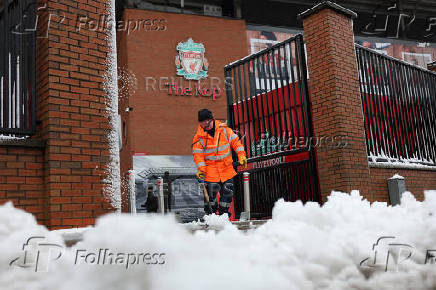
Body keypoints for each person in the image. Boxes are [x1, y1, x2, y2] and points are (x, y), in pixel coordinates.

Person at [192, 109, 247, 216]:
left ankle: (224, 216)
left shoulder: (224, 130)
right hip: (211, 173)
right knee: (210, 201)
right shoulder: (198, 137)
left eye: (205, 121)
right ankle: (211, 218)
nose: (203, 124)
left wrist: (242, 156)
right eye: (201, 122)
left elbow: (236, 143)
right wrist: (201, 170)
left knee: (227, 197)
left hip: (226, 170)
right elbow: (198, 156)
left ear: (211, 120)